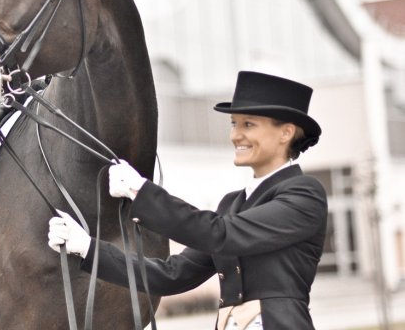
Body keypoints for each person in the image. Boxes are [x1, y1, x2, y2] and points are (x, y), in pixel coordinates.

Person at [48, 71, 328, 330]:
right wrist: (87, 248)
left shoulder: (304, 194)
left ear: (286, 132)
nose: (235, 135)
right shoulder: (232, 204)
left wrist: (141, 192)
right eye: (234, 124)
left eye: (248, 124)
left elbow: (221, 234)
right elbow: (173, 275)